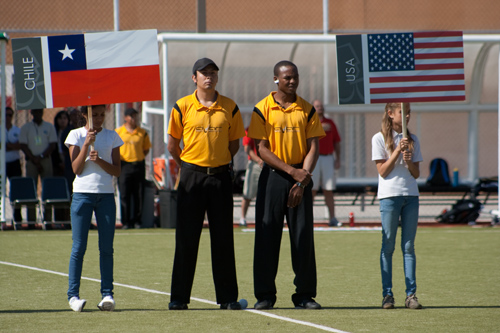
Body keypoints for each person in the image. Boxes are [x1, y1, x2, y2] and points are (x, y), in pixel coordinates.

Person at [167, 58, 245, 310]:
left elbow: (235, 144)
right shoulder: (181, 106)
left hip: (221, 177)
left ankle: (227, 298)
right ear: (194, 78)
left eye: (212, 73)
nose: (208, 77)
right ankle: (178, 298)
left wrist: (218, 161)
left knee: (223, 238)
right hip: (191, 177)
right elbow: (172, 145)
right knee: (187, 238)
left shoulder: (230, 107)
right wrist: (190, 165)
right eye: (203, 73)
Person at [248, 60, 325, 310]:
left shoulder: (307, 109)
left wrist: (302, 179)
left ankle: (304, 295)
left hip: (301, 178)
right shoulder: (261, 108)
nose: (291, 81)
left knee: (302, 237)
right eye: (286, 78)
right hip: (273, 178)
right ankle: (265, 295)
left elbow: (314, 145)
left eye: (295, 77)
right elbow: (261, 148)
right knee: (267, 235)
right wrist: (292, 172)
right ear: (276, 79)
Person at [65, 105, 123, 312]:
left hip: (106, 197)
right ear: (84, 114)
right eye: (94, 115)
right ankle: (73, 296)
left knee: (106, 249)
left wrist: (100, 161)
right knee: (79, 247)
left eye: (101, 114)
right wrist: (86, 145)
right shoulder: (76, 135)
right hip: (82, 196)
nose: (98, 119)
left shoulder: (112, 136)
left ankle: (107, 295)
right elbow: (76, 169)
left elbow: (116, 170)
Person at [371, 102, 423, 310]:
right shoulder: (378, 138)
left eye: (409, 112)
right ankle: (387, 295)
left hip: (411, 196)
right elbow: (382, 171)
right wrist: (396, 152)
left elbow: (416, 174)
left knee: (408, 247)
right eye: (403, 112)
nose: (407, 116)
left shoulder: (413, 139)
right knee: (388, 246)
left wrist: (409, 160)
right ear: (390, 114)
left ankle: (411, 295)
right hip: (389, 197)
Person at [19, 108, 57, 226]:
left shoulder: (49, 126)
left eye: (39, 111)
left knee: (48, 189)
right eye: (35, 112)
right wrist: (34, 159)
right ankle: (31, 220)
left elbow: (52, 144)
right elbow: (23, 145)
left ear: (42, 112)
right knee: (31, 190)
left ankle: (48, 220)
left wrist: (40, 157)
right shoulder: (26, 127)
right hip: (31, 161)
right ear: (31, 113)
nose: (38, 114)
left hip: (45, 160)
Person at [115, 107, 152, 229]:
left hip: (138, 165)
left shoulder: (142, 132)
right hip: (124, 165)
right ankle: (126, 222)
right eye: (131, 116)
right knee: (124, 194)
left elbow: (146, 149)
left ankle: (137, 221)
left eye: (135, 115)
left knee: (138, 194)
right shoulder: (119, 132)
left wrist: (139, 156)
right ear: (125, 118)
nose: (133, 118)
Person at [310, 100, 342, 227]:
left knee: (328, 189)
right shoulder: (310, 122)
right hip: (314, 159)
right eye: (317, 106)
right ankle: (308, 219)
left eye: (321, 106)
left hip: (328, 158)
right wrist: (319, 128)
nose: (320, 108)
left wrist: (338, 158)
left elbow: (337, 142)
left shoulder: (330, 123)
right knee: (311, 189)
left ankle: (332, 218)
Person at [3, 107, 23, 225]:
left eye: (10, 115)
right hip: (2, 164)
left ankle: (17, 219)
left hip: (14, 163)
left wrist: (7, 145)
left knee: (16, 190)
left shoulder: (17, 130)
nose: (8, 117)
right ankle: (3, 217)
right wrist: (12, 145)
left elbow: (19, 145)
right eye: (5, 115)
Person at [239, 130, 263, 227]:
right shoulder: (249, 130)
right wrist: (259, 160)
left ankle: (264, 218)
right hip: (255, 164)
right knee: (248, 193)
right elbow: (247, 148)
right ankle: (242, 218)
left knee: (266, 195)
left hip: (268, 164)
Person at [61, 107, 82, 195]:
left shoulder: (84, 130)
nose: (75, 117)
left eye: (77, 115)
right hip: (70, 163)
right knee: (71, 188)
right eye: (73, 115)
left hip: (83, 162)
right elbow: (64, 149)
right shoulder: (67, 131)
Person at [51, 110, 70, 177]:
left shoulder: (71, 132)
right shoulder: (54, 132)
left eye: (65, 118)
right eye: (60, 118)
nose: (62, 120)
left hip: (69, 162)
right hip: (56, 162)